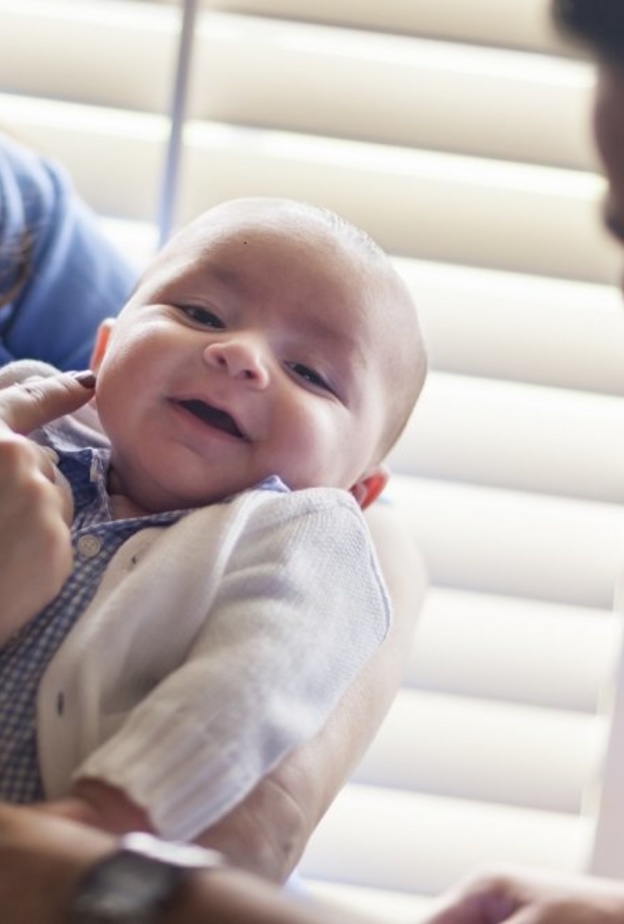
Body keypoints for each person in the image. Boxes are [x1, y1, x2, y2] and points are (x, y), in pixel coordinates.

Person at [0, 196, 427, 863]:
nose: (239, 355)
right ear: (104, 350)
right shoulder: (29, 421)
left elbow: (249, 690)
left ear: (356, 494)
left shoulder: (301, 545)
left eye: (309, 372)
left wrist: (106, 819)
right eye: (199, 314)